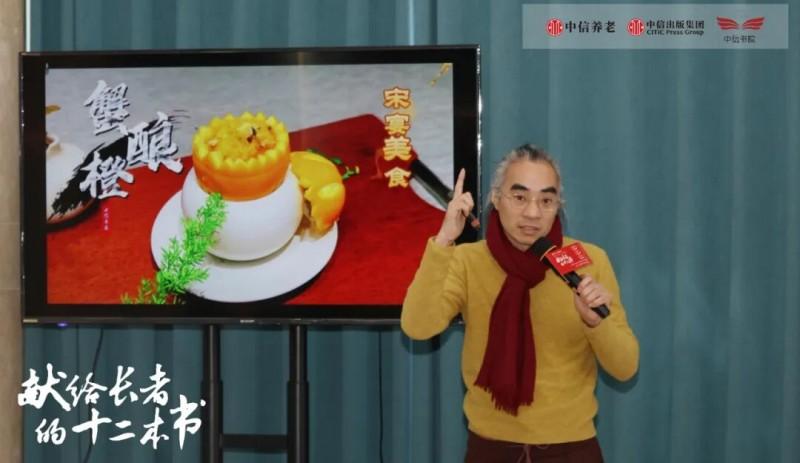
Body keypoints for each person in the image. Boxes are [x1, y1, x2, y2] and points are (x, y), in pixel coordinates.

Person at [401, 144, 639, 463]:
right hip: (490, 449)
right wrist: (444, 240)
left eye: (546, 200)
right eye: (519, 197)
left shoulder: (588, 261)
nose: (532, 213)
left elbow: (625, 367)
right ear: (496, 200)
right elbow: (417, 327)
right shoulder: (468, 260)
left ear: (558, 206)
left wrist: (595, 323)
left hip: (572, 449)